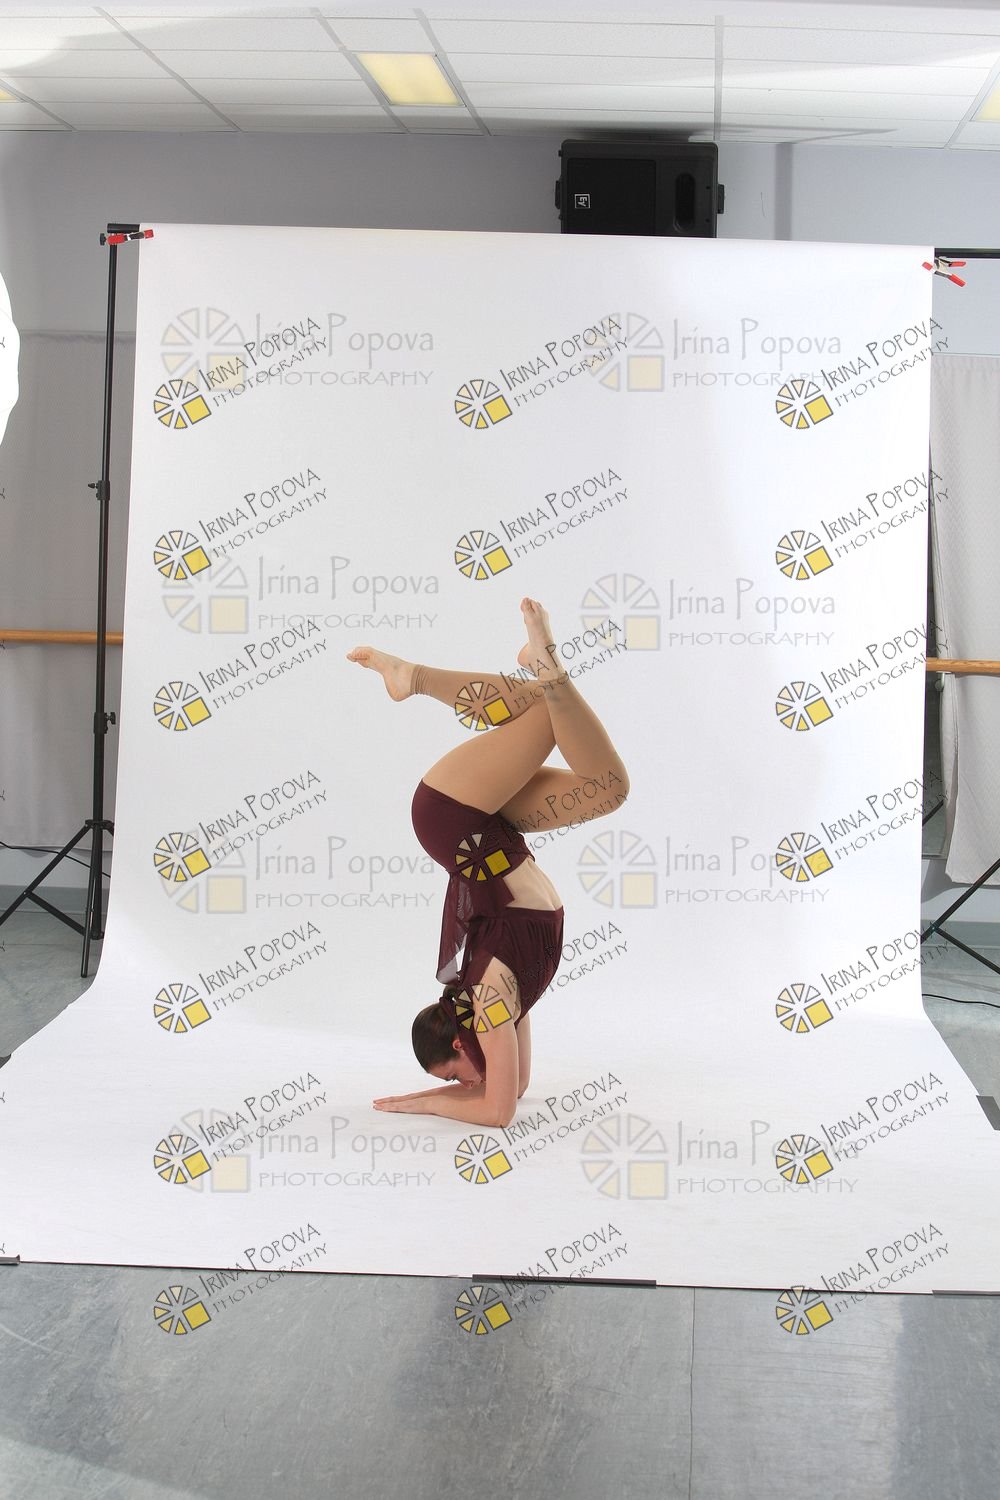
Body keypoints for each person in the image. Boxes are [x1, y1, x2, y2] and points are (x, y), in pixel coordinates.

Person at [346, 597, 629, 1128]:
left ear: (458, 1042)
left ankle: (414, 677)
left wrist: (426, 1102)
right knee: (606, 789)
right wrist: (452, 1092)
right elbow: (514, 1088)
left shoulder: (487, 996)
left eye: (454, 1077)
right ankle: (537, 664)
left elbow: (497, 1111)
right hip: (490, 824)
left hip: (451, 817)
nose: (465, 1086)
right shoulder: (497, 1000)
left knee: (544, 710)